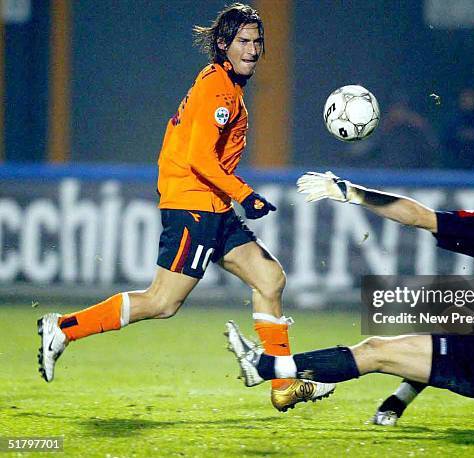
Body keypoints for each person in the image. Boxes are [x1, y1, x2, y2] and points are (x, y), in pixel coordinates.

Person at [37, 3, 334, 412]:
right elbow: (199, 158)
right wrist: (245, 194)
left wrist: (234, 197)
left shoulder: (226, 88)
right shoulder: (217, 88)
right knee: (162, 301)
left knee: (269, 279)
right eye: (243, 41)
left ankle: (282, 383)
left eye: (257, 41)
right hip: (194, 206)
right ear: (223, 44)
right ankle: (64, 328)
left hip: (213, 206)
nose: (251, 50)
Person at [225, 153, 474, 425]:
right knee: (455, 316)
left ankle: (265, 366)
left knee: (376, 350)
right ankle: (396, 403)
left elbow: (416, 215)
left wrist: (352, 193)